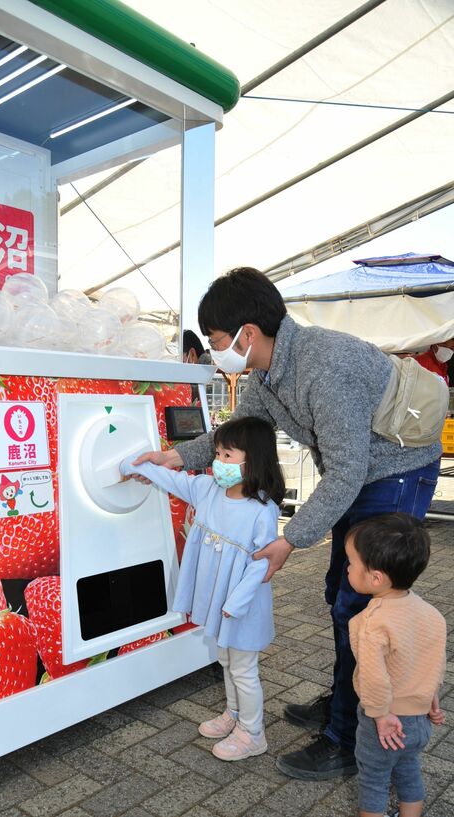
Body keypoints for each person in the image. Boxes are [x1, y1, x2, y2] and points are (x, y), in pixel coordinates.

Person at [133, 267, 442, 780]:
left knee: (364, 603)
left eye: (216, 341)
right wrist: (175, 458)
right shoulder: (267, 375)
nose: (214, 351)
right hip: (356, 473)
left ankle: (349, 737)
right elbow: (238, 436)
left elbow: (348, 471)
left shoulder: (324, 366)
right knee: (338, 591)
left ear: (247, 334)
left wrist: (289, 541)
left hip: (396, 469)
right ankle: (347, 695)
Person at [120, 416, 284, 761]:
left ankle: (254, 733)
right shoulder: (208, 488)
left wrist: (236, 604)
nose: (218, 463)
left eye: (227, 456)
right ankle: (235, 715)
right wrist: (144, 464)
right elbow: (174, 479)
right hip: (220, 601)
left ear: (252, 461)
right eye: (218, 453)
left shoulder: (262, 510)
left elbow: (261, 565)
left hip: (241, 606)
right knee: (226, 659)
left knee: (243, 668)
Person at [345, 513, 446, 817]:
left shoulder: (371, 623)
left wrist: (381, 715)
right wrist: (432, 698)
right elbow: (434, 662)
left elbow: (374, 679)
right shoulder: (431, 614)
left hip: (385, 723)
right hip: (419, 721)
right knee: (408, 771)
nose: (347, 568)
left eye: (351, 562)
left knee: (374, 782)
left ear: (375, 577)